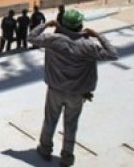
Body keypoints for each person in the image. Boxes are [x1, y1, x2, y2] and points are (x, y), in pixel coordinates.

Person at [29, 9, 118, 167]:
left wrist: (47, 24)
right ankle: (66, 158)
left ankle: (44, 149)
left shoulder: (53, 39)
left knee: (50, 120)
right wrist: (98, 35)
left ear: (62, 23)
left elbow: (31, 37)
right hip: (76, 94)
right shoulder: (89, 46)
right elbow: (112, 54)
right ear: (80, 25)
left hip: (55, 90)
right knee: (70, 125)